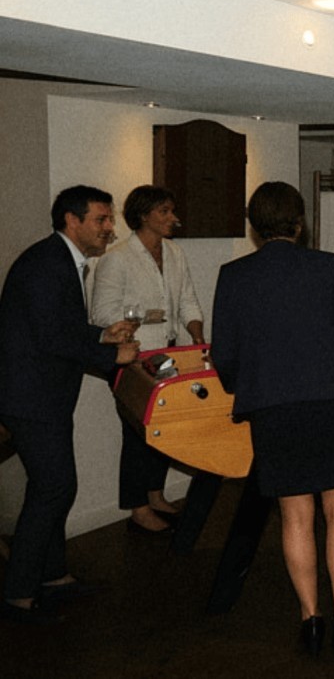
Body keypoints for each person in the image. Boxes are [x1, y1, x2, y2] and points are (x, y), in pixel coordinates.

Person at [210, 182, 334, 665]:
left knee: (295, 516)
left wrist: (256, 379)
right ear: (299, 223)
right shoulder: (324, 266)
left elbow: (225, 356)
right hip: (328, 400)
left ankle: (311, 622)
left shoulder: (233, 275)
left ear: (254, 225)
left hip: (272, 408)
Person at [0, 186, 139, 624]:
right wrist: (112, 355)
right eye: (101, 219)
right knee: (55, 487)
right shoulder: (47, 264)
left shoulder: (60, 260)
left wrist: (101, 335)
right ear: (72, 220)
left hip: (42, 396)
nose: (109, 228)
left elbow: (61, 326)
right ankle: (18, 593)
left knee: (55, 486)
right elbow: (51, 339)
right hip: (30, 398)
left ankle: (54, 575)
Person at [90, 185, 204, 535]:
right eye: (165, 212)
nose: (173, 218)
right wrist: (144, 315)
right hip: (132, 359)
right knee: (136, 436)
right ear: (143, 216)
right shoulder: (117, 258)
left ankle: (155, 495)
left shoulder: (175, 253)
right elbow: (100, 314)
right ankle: (138, 508)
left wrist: (197, 336)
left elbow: (187, 300)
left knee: (162, 431)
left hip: (167, 355)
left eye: (172, 211)